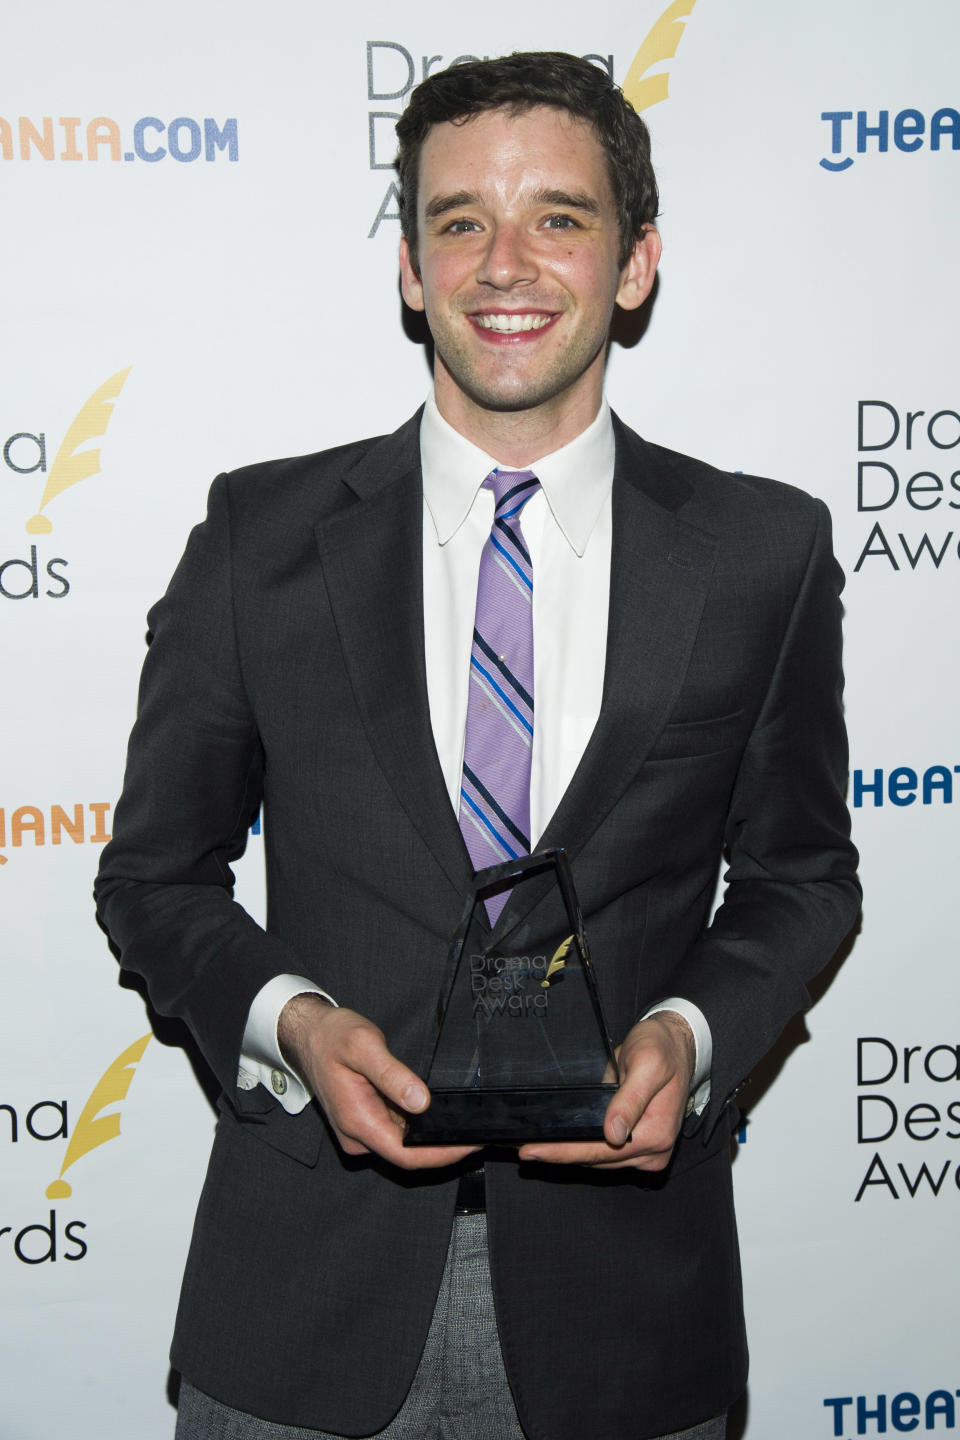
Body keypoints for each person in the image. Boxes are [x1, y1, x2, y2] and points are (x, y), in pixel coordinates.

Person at [95, 51, 860, 1440]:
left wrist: (691, 1038)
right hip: (298, 1309)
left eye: (559, 218)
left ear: (636, 265)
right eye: (460, 222)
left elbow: (804, 879)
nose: (505, 264)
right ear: (410, 269)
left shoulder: (764, 555)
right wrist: (293, 1024)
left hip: (630, 1317)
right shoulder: (260, 544)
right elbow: (153, 878)